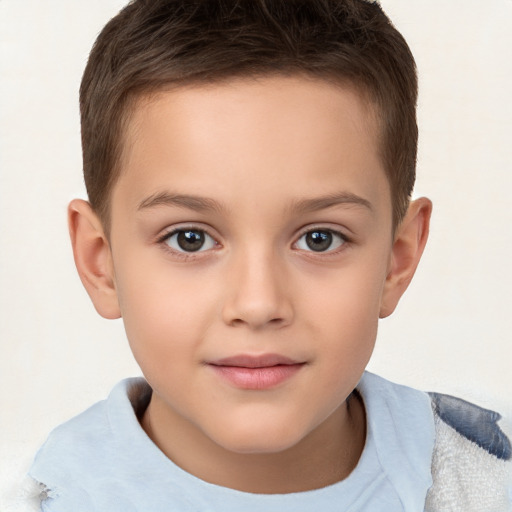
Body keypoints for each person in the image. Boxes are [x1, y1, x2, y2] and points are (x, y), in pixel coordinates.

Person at [23, 0, 511, 510]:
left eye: (320, 238)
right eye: (189, 238)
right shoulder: (38, 496)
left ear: (398, 257)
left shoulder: (487, 480)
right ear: (101, 262)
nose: (258, 304)